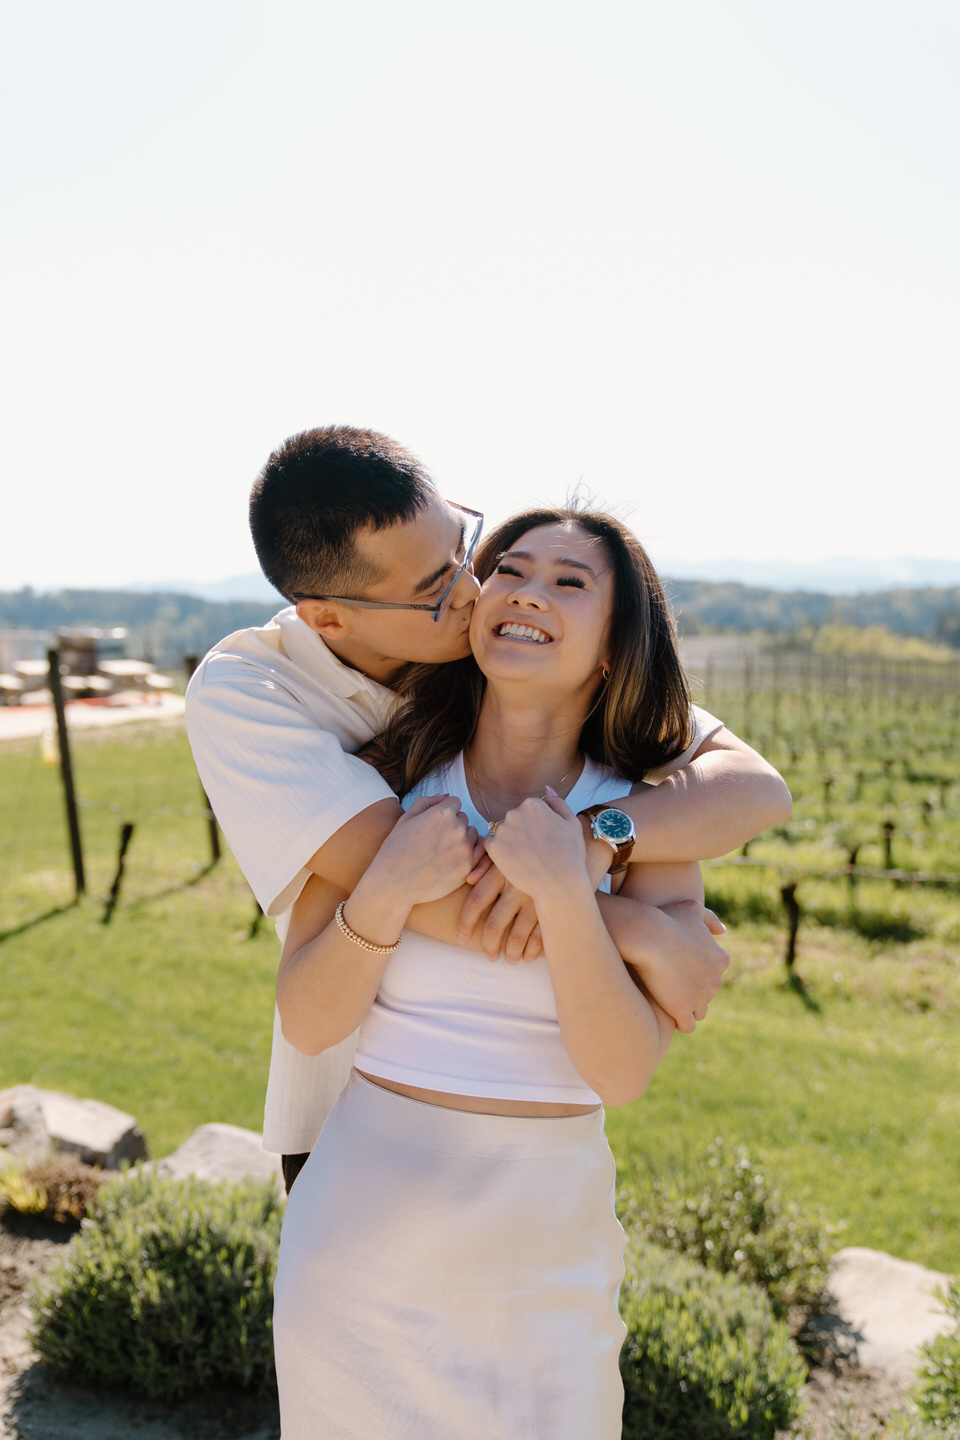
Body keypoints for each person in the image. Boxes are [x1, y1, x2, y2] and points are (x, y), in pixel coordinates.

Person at [271, 505, 789, 1437]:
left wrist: (572, 885)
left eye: (568, 581)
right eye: (509, 568)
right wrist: (386, 893)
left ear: (611, 645)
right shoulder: (384, 779)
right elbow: (308, 1023)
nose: (524, 590)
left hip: (547, 1271)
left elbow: (622, 1073)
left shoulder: (644, 821)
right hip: (357, 1261)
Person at [184, 426, 791, 1191]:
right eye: (439, 588)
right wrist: (637, 930)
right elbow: (416, 877)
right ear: (331, 620)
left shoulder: (501, 650)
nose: (474, 591)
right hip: (346, 1119)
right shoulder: (255, 695)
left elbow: (755, 786)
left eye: (464, 552)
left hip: (535, 1177)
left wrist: (597, 835)